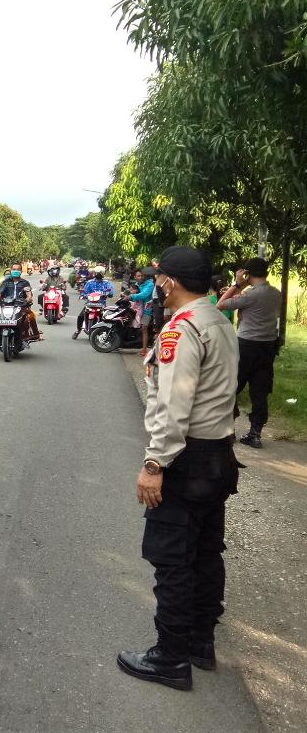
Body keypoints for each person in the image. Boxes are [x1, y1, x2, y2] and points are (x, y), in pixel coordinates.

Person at [117, 246, 241, 692]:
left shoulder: (182, 330)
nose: (157, 286)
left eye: (160, 279)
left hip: (186, 461)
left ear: (171, 281)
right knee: (206, 554)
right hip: (218, 457)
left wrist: (154, 464)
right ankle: (199, 645)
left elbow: (172, 406)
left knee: (172, 560)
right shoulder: (219, 321)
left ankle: (169, 658)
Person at [216, 257, 283, 449]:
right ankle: (255, 434)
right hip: (268, 346)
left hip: (246, 345)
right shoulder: (276, 294)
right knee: (260, 390)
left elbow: (221, 304)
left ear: (247, 274)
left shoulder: (251, 295)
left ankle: (228, 431)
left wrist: (237, 284)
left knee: (232, 387)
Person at [0, 264, 41, 345]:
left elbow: (28, 293)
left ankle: (33, 336)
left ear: (20, 271)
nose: (15, 271)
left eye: (17, 269)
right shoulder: (6, 282)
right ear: (11, 270)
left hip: (20, 305)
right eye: (14, 269)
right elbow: (0, 292)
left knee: (30, 316)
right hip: (6, 305)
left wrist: (28, 298)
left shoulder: (25, 282)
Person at [72, 269, 115, 339]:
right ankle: (78, 330)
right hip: (90, 303)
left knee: (107, 318)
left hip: (102, 304)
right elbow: (84, 292)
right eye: (97, 273)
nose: (98, 274)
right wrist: (83, 295)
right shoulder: (90, 282)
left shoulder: (107, 283)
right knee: (80, 316)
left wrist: (109, 294)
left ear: (103, 274)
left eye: (100, 273)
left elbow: (111, 292)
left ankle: (106, 334)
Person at [130, 267, 157, 356]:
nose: (140, 277)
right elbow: (131, 291)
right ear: (135, 277)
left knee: (144, 327)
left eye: (141, 276)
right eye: (138, 276)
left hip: (147, 310)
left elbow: (144, 295)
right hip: (138, 309)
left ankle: (144, 349)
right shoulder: (137, 284)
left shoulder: (150, 285)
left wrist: (132, 297)